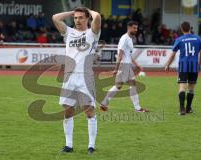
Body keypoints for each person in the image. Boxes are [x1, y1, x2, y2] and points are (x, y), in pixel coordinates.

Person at [52, 7, 101, 154]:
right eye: (76, 18)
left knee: (89, 111)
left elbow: (97, 16)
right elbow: (55, 17)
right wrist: (72, 12)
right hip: (69, 76)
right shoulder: (68, 32)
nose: (77, 20)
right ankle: (69, 145)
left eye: (81, 17)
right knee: (68, 110)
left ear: (87, 19)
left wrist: (88, 10)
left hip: (85, 77)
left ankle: (91, 146)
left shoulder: (92, 33)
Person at [100, 21, 149, 112]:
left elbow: (128, 55)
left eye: (136, 28)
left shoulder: (130, 39)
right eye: (134, 28)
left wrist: (137, 64)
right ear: (129, 27)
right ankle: (138, 108)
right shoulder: (124, 38)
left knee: (119, 86)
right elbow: (120, 54)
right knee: (132, 85)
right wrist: (116, 68)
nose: (136, 30)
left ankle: (104, 103)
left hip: (126, 65)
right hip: (124, 65)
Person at [165, 21, 201, 115]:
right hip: (194, 66)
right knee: (191, 88)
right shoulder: (198, 39)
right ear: (190, 28)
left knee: (182, 87)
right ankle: (188, 108)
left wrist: (167, 64)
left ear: (181, 29)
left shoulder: (179, 39)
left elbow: (173, 55)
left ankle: (182, 109)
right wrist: (199, 65)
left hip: (183, 66)